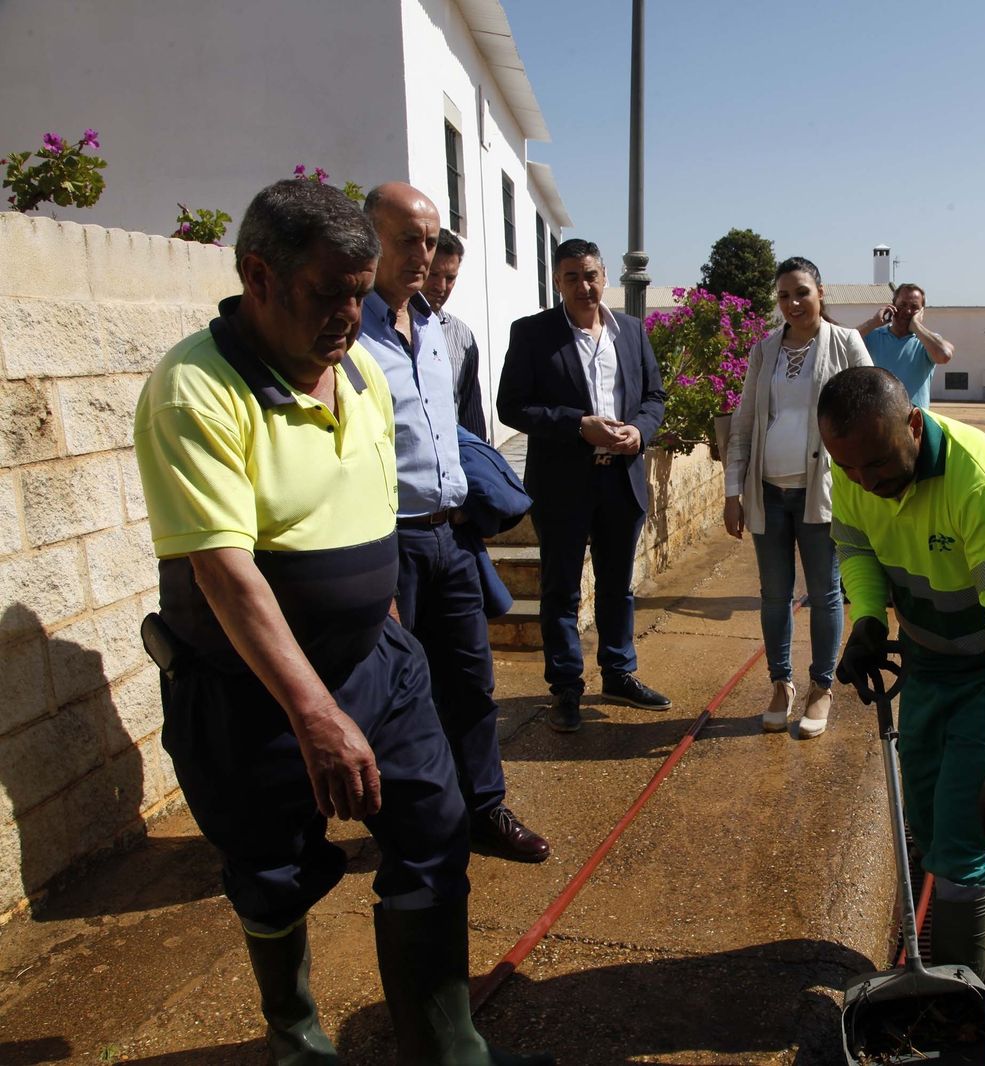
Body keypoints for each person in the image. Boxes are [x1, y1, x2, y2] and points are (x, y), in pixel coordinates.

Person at [133, 179, 549, 1065]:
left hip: (377, 662)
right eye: (331, 294)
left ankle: (449, 1049)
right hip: (255, 689)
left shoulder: (354, 362)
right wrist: (315, 713)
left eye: (362, 293)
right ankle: (298, 1043)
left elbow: (370, 499)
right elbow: (224, 570)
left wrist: (385, 618)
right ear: (259, 277)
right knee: (272, 874)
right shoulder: (194, 391)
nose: (351, 315)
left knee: (436, 830)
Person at [819, 366, 985, 977]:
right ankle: (947, 946)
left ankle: (968, 985)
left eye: (876, 464)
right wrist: (870, 617)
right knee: (924, 815)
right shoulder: (852, 467)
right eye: (849, 469)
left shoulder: (981, 481)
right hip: (930, 656)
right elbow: (855, 548)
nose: (864, 482)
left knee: (962, 832)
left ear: (913, 423)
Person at [359, 183, 549, 864]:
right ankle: (407, 823)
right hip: (389, 543)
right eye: (406, 239)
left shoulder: (438, 330)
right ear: (370, 241)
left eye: (431, 241)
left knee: (472, 682)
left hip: (452, 537)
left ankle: (484, 809)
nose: (421, 255)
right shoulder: (350, 333)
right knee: (393, 691)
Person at [497, 239, 671, 732]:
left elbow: (655, 397)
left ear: (604, 278)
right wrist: (577, 424)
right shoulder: (532, 334)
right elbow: (512, 407)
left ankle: (618, 673)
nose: (584, 286)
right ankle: (566, 689)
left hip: (621, 479)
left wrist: (639, 430)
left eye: (591, 275)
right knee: (561, 592)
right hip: (562, 484)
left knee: (618, 587)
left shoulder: (632, 332)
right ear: (557, 282)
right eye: (571, 277)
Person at [722, 257, 873, 738]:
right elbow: (744, 425)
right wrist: (733, 492)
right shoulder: (765, 350)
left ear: (821, 293)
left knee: (826, 593)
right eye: (784, 295)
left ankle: (821, 688)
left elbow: (871, 408)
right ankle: (780, 684)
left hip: (820, 494)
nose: (793, 303)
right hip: (768, 492)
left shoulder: (846, 343)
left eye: (801, 292)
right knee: (773, 595)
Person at [422, 227, 489, 439]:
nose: (441, 287)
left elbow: (470, 412)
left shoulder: (462, 336)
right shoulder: (379, 327)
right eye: (433, 274)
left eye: (450, 278)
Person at [854, 282, 955, 409]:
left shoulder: (927, 341)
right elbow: (843, 344)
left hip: (914, 422)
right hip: (878, 421)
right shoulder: (873, 336)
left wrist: (916, 326)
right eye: (903, 305)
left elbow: (944, 355)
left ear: (922, 311)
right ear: (892, 305)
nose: (907, 311)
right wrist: (872, 323)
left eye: (914, 307)